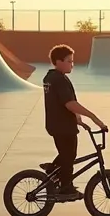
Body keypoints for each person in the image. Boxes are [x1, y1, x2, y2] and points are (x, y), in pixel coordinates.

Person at [41, 44, 106, 201]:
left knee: (67, 155)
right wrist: (93, 117)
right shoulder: (59, 80)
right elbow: (69, 103)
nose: (72, 64)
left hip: (57, 124)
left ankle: (52, 170)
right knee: (68, 156)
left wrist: (77, 118)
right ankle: (65, 188)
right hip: (63, 126)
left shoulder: (50, 77)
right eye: (69, 61)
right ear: (58, 61)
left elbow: (62, 102)